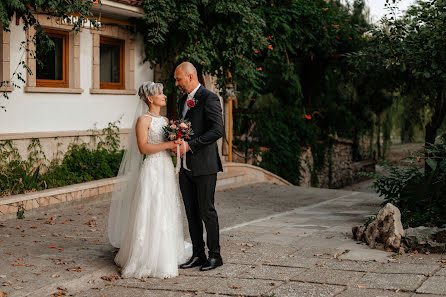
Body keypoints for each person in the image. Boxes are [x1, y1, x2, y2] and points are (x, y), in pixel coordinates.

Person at [107, 81, 190, 279]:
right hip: (152, 168)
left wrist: (174, 146)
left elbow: (164, 145)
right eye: (160, 93)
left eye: (163, 92)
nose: (164, 96)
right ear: (150, 98)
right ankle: (146, 255)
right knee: (151, 207)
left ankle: (165, 253)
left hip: (165, 169)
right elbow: (144, 148)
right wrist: (168, 144)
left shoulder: (164, 120)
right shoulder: (143, 120)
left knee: (166, 207)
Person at [174, 62, 225, 271]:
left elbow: (217, 130)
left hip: (205, 166)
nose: (177, 83)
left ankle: (215, 255)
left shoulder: (209, 97)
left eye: (179, 79)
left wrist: (190, 145)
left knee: (207, 211)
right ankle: (198, 254)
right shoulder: (181, 100)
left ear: (191, 76)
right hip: (185, 167)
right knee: (191, 211)